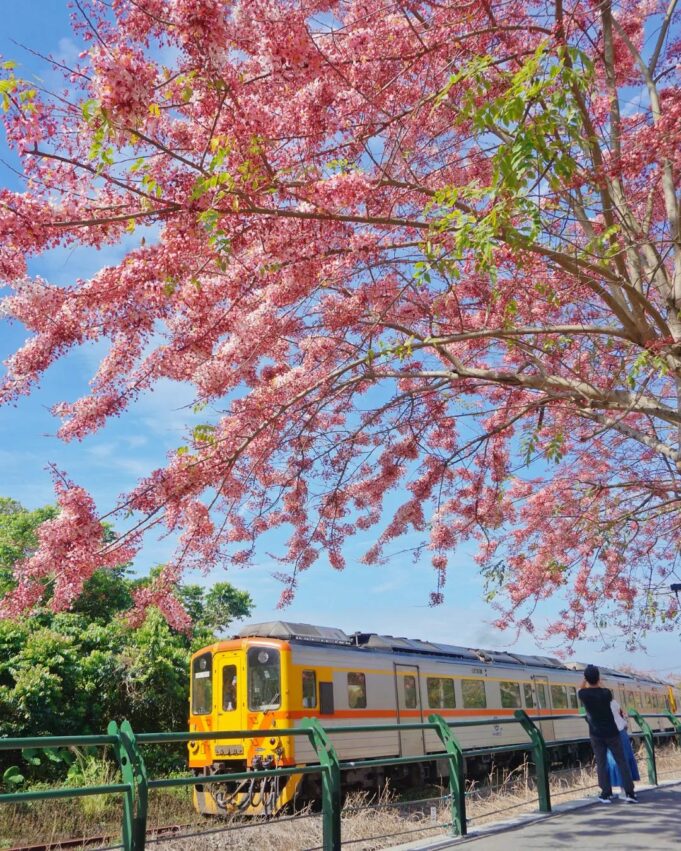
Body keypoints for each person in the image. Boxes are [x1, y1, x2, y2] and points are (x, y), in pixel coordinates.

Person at [578, 665, 638, 804]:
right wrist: (597, 680)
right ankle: (630, 793)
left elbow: (580, 689)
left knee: (601, 763)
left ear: (586, 679)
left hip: (596, 734)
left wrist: (585, 679)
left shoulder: (584, 694)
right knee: (621, 761)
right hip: (612, 732)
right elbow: (603, 688)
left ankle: (606, 794)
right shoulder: (606, 693)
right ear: (598, 678)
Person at [606, 697, 640, 794]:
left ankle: (622, 790)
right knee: (625, 759)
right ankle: (628, 790)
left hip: (610, 734)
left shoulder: (598, 704)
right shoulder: (613, 702)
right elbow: (622, 714)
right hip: (621, 731)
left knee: (614, 761)